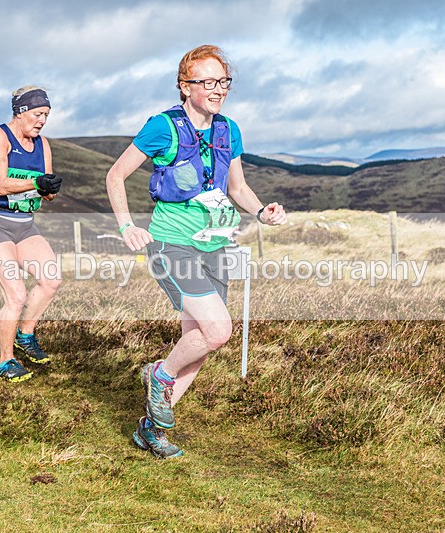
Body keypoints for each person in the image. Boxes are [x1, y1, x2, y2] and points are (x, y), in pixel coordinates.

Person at [106, 45, 287, 458]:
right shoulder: (162, 127)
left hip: (215, 246)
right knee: (218, 330)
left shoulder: (229, 130)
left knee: (200, 341)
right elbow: (115, 176)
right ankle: (159, 374)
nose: (217, 89)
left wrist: (261, 211)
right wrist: (126, 225)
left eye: (223, 81)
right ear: (185, 86)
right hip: (171, 245)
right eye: (207, 81)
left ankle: (150, 430)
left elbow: (236, 187)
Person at [0, 85, 63, 382]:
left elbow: (44, 192)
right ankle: (5, 361)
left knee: (51, 280)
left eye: (46, 115)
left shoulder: (42, 144)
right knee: (16, 293)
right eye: (38, 114)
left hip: (24, 223)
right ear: (21, 112)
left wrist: (50, 189)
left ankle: (25, 336)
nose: (42, 121)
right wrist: (38, 183)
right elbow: (1, 184)